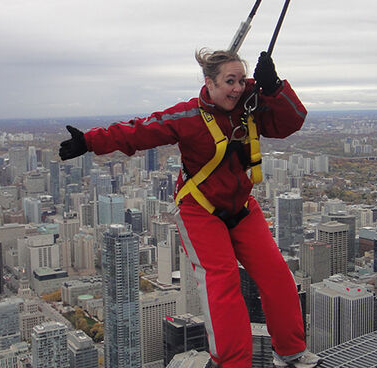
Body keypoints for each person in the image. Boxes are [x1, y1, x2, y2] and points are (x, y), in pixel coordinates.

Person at [59, 49, 321, 368]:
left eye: (241, 79)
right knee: (221, 283)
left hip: (241, 207)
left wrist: (274, 86)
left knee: (277, 275)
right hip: (200, 209)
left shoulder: (251, 105)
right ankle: (233, 364)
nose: (238, 88)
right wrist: (88, 141)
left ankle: (290, 350)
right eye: (229, 81)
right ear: (209, 82)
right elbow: (141, 130)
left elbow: (289, 123)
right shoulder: (188, 117)